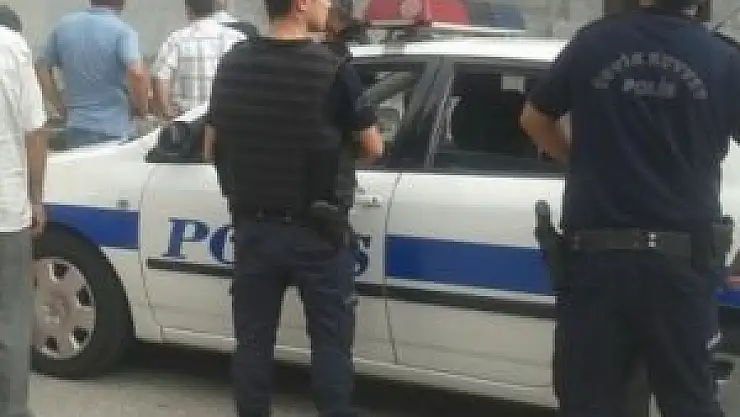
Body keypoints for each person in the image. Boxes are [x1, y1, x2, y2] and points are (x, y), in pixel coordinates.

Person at [519, 0, 737, 416]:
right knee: (690, 403)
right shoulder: (724, 59)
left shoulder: (594, 43)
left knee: (590, 402)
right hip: (681, 270)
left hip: (598, 266)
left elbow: (534, 119)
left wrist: (580, 162)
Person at [204, 0, 383, 412]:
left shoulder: (232, 65)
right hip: (317, 232)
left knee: (252, 343)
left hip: (253, 229)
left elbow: (211, 146)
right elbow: (373, 146)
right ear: (301, 4)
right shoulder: (333, 68)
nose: (329, 5)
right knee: (330, 344)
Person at [0, 10, 49, 417]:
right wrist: (36, 198)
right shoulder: (12, 47)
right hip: (4, 209)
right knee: (11, 318)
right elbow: (35, 131)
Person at [35, 0, 149, 149]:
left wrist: (59, 106)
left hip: (76, 125)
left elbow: (41, 67)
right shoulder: (123, 31)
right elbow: (137, 73)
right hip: (114, 128)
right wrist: (142, 109)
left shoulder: (64, 26)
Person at [151, 0, 246, 120]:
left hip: (186, 120)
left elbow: (160, 78)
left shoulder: (176, 39)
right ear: (214, 7)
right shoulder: (236, 38)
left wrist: (167, 111)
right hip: (223, 119)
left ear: (188, 9)